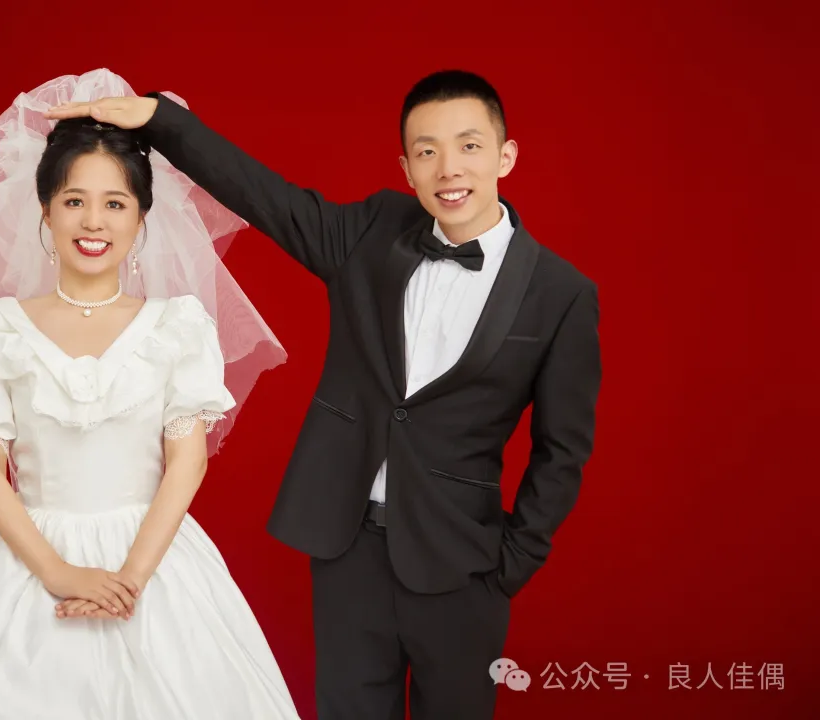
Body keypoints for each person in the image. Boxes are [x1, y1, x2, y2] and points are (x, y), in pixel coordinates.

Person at [45, 69, 602, 719]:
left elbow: (563, 450)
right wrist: (163, 122)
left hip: (463, 565)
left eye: (469, 146)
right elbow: (266, 197)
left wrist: (511, 564)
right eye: (427, 151)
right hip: (348, 548)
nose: (449, 168)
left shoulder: (561, 293)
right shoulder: (374, 231)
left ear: (505, 155)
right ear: (407, 168)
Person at [0, 70, 300, 720]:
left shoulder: (177, 328)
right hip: (28, 559)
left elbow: (188, 462)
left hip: (154, 560)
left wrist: (131, 580)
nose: (94, 221)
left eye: (115, 204)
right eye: (74, 201)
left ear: (142, 218)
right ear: (45, 211)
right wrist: (59, 574)